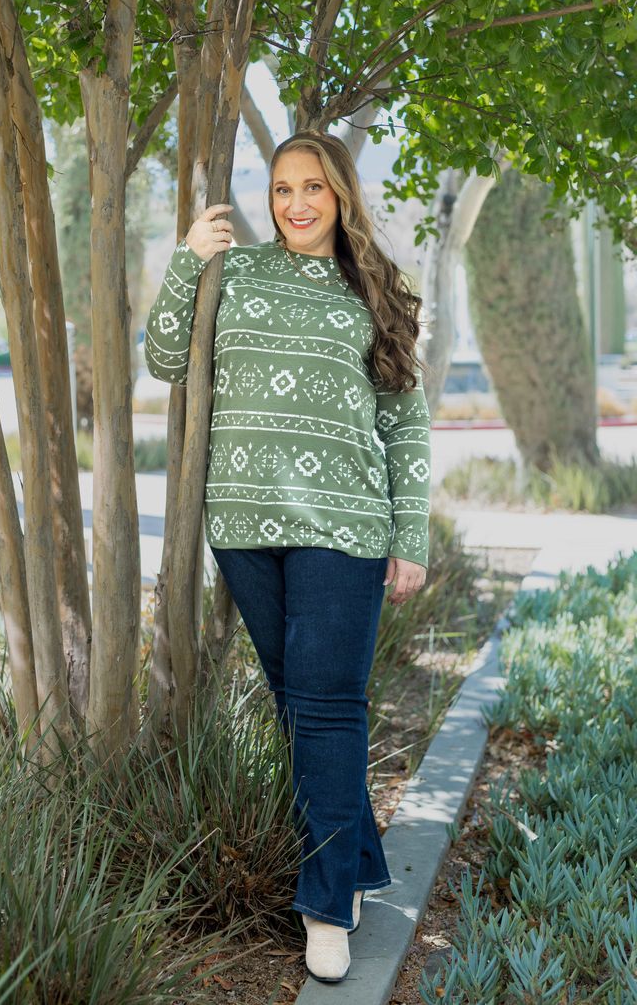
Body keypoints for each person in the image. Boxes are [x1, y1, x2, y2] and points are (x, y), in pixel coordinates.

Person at [144, 130, 431, 985]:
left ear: (341, 195)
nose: (296, 203)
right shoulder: (234, 272)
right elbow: (164, 356)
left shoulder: (371, 289)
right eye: (281, 189)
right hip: (243, 522)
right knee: (300, 705)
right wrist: (188, 259)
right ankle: (355, 863)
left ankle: (326, 905)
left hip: (345, 524)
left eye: (312, 187)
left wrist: (410, 535)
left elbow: (404, 421)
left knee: (328, 706)